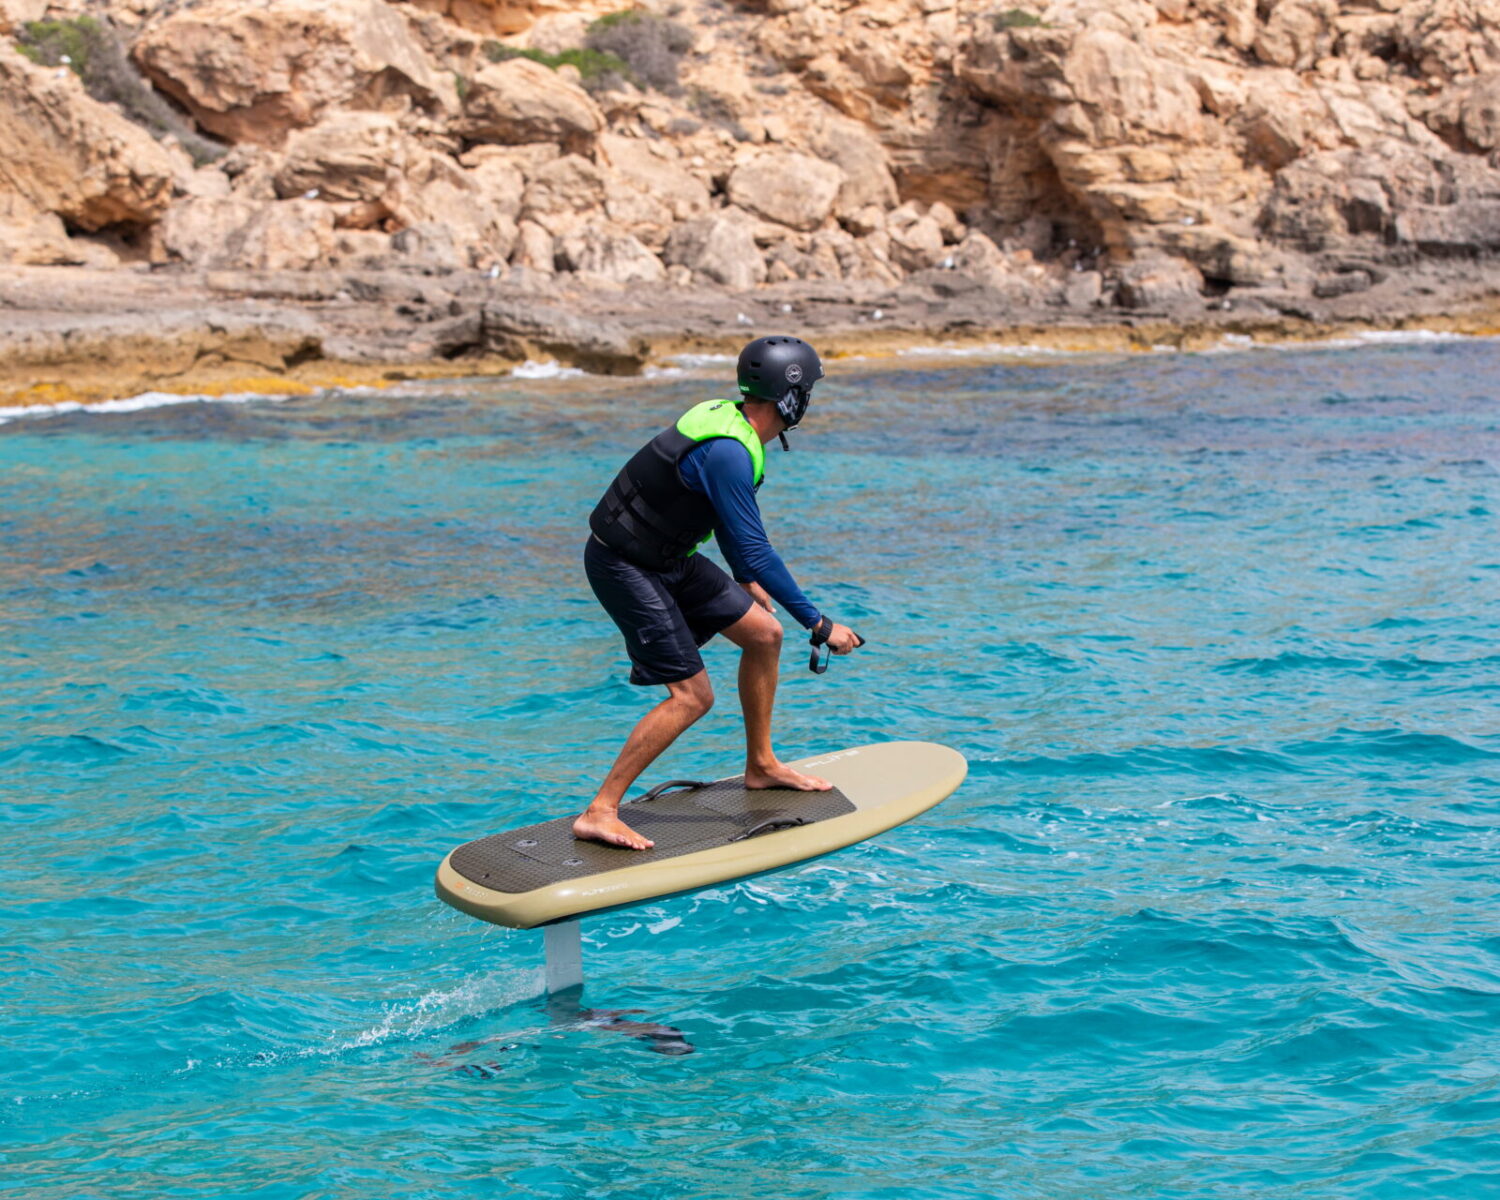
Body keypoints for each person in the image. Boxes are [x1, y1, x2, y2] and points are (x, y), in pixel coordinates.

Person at [574, 335, 862, 850]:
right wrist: (819, 624)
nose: (811, 402)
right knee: (692, 697)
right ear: (789, 397)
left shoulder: (731, 423)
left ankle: (761, 764)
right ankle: (600, 810)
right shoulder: (730, 452)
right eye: (809, 391)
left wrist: (745, 575)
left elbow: (730, 527)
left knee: (763, 634)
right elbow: (755, 550)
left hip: (669, 557)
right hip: (625, 566)